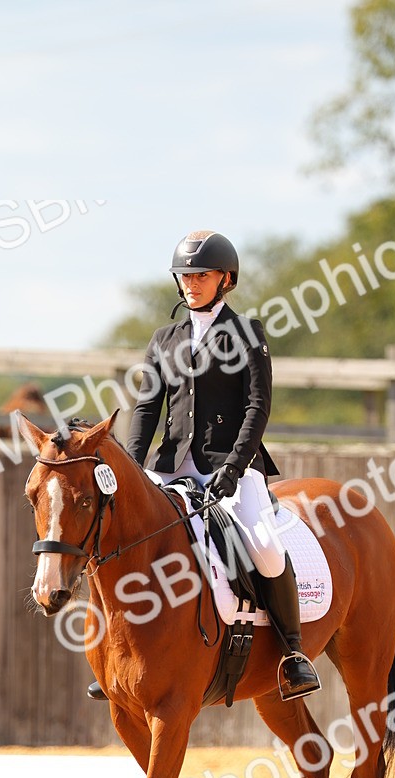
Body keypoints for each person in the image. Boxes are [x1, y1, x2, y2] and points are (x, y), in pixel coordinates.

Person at [87, 229, 320, 702]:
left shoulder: (247, 333)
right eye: (186, 276)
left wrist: (233, 469)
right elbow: (147, 409)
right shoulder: (164, 338)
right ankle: (114, 652)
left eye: (202, 276)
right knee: (119, 536)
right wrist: (132, 470)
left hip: (230, 468)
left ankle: (293, 653)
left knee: (265, 547)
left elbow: (257, 407)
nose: (191, 284)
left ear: (225, 279)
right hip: (169, 465)